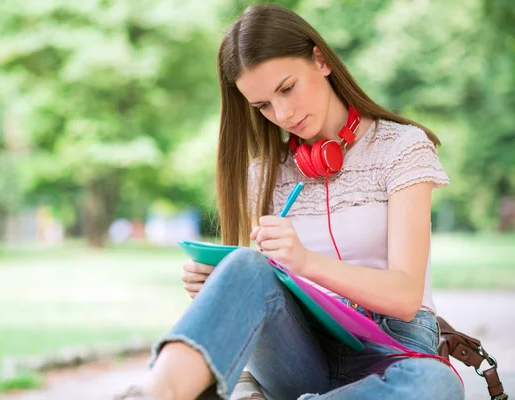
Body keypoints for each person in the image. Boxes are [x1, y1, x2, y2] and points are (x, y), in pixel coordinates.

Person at [116, 4, 464, 400]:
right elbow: (265, 288)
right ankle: (155, 393)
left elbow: (405, 297)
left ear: (320, 60)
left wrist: (306, 261)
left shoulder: (401, 148)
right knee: (245, 264)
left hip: (396, 350)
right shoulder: (263, 174)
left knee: (438, 384)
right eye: (263, 106)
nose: (282, 113)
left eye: (286, 88)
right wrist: (222, 285)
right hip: (302, 353)